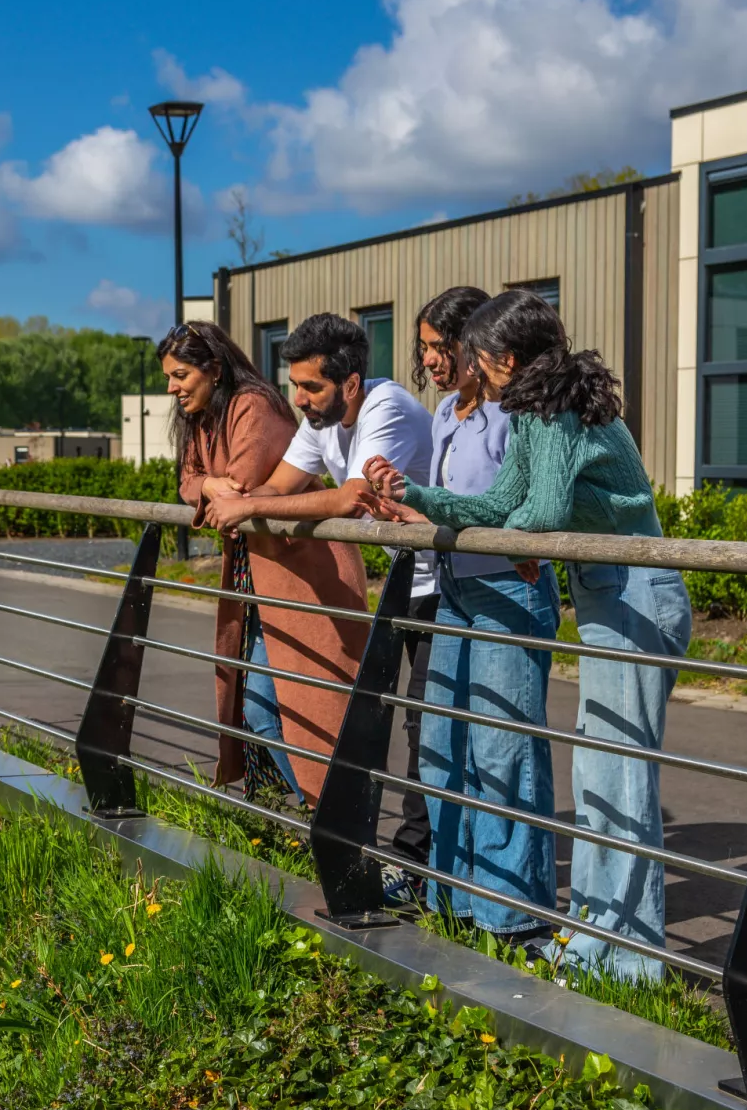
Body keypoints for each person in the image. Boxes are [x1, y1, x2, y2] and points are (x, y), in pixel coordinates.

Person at [364, 289, 692, 982]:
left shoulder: (560, 411)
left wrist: (514, 539)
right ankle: (604, 943)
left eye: (474, 355)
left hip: (639, 596)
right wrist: (415, 497)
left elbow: (539, 510)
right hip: (607, 593)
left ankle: (632, 957)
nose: (465, 366)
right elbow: (496, 505)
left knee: (620, 780)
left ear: (505, 359)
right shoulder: (535, 414)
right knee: (600, 777)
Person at [205, 313, 437, 881]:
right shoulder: (321, 421)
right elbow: (276, 489)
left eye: (312, 387)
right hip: (411, 583)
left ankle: (413, 865)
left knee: (426, 730)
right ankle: (347, 839)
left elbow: (348, 500)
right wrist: (220, 490)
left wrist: (247, 506)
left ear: (351, 384)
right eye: (297, 385)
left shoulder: (387, 408)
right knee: (281, 709)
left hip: (449, 584)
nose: (300, 399)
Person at [402, 286, 563, 957]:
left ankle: (515, 916)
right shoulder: (446, 414)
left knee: (503, 751)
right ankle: (455, 898)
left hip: (509, 587)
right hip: (454, 592)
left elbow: (524, 499)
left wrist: (512, 536)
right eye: (426, 349)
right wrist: (409, 499)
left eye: (445, 347)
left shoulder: (517, 410)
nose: (435, 360)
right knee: (443, 747)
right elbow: (466, 502)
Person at [166, 321, 370, 806]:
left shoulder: (251, 406)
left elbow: (243, 486)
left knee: (302, 709)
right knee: (262, 707)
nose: (172, 389)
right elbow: (190, 479)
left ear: (213, 369)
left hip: (307, 576)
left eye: (179, 376)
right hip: (264, 579)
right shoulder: (206, 416)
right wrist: (209, 487)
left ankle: (328, 818)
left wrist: (215, 486)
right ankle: (314, 815)